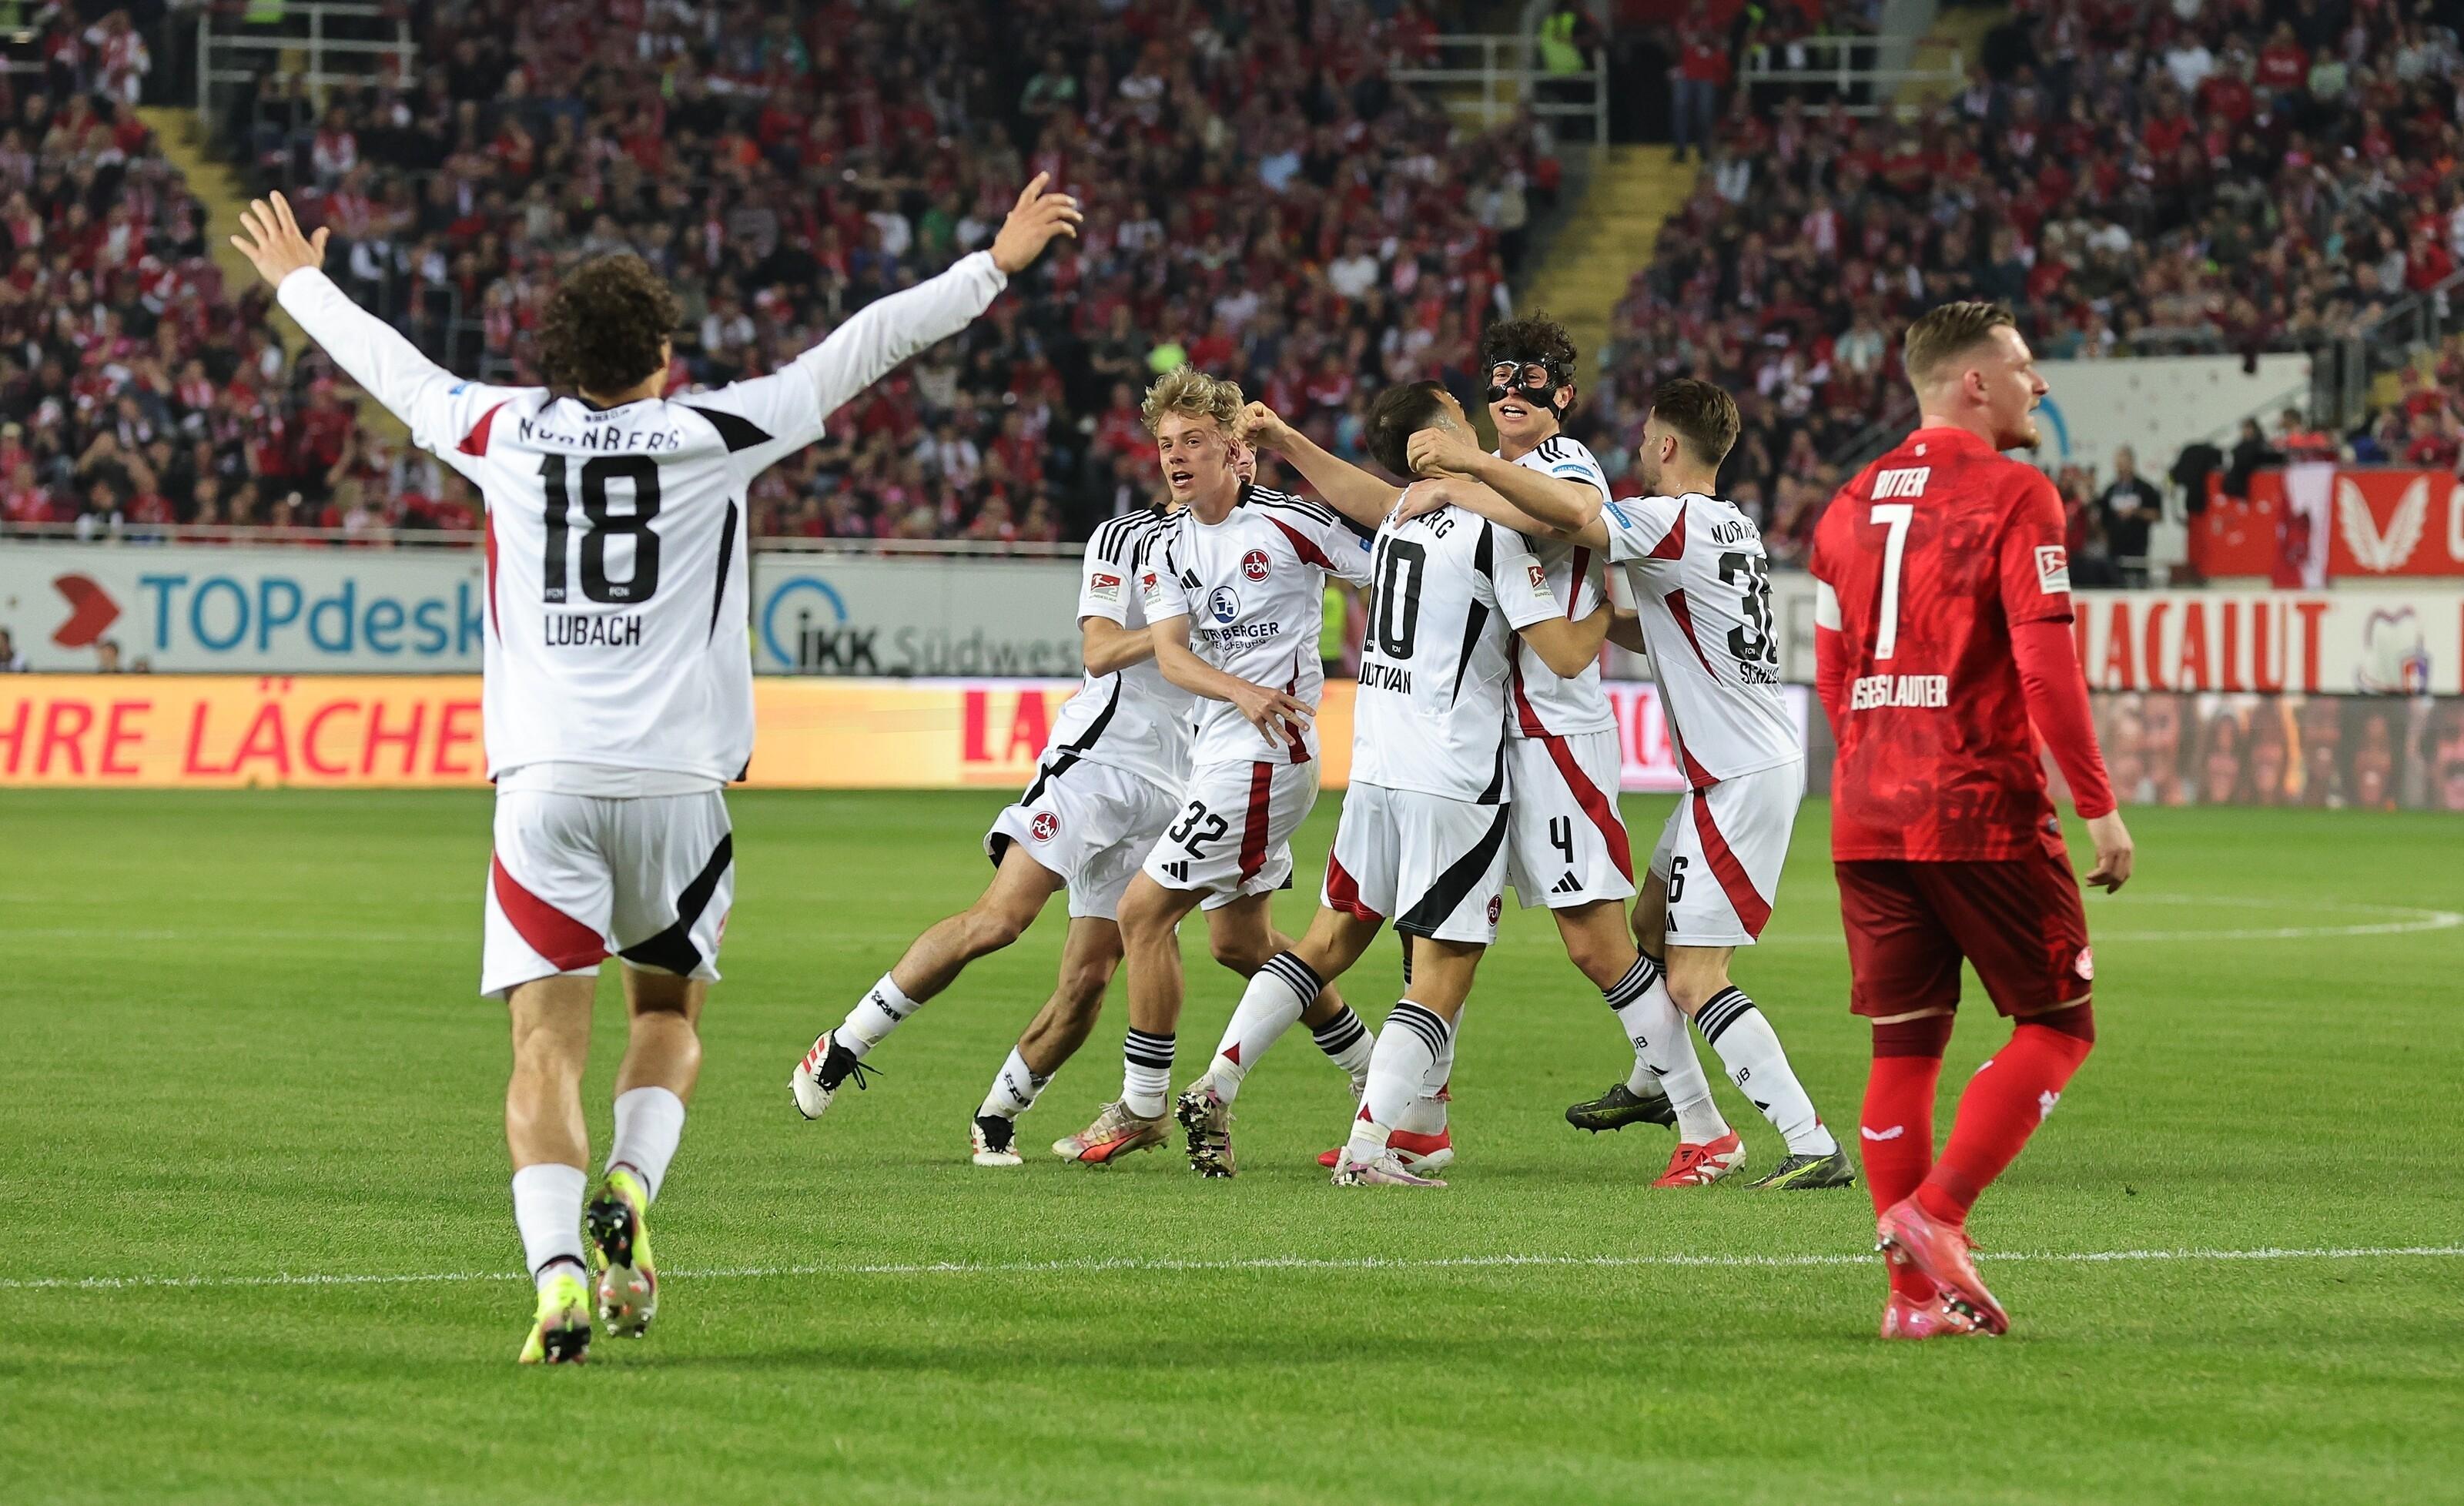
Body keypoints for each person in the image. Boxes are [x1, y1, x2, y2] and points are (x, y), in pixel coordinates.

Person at [231, 181, 1080, 1364]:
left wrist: (299, 283)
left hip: (545, 784)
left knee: (544, 1049)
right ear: (665, 355)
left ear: (557, 356)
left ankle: (558, 1282)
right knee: (668, 1016)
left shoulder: (502, 430)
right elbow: (865, 346)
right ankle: (628, 1189)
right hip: (680, 791)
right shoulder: (712, 432)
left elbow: (394, 368)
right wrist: (991, 265)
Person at [1402, 378, 1852, 1190]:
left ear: (1668, 446)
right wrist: (1596, 620)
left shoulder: (1667, 519)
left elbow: (1566, 517)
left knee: (1694, 977)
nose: (1638, 449)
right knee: (1647, 926)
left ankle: (1810, 1141)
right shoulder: (1730, 524)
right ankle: (1652, 1086)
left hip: (1738, 777)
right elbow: (1668, 627)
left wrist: (1465, 471)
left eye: (1646, 438)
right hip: (1733, 770)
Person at [1809, 301, 2133, 1340]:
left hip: (1867, 808)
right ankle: (1937, 1214)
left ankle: (1910, 1303)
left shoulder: (1843, 504)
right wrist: (2098, 805)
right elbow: (2045, 663)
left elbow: (1830, 671)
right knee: (2059, 1023)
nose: (2041, 384)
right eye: (2026, 366)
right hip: (1976, 802)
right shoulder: (2014, 492)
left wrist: (1874, 760)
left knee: (1904, 1046)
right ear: (1974, 383)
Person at [1197, 381, 1607, 1185]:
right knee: (1443, 972)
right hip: (1451, 778)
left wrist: (1287, 439)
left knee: (1326, 941)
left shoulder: (1398, 522)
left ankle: (1218, 1080)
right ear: (1444, 426)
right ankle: (1368, 1150)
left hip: (1376, 769)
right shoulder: (1491, 529)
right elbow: (1563, 652)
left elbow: (1370, 495)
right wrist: (1606, 603)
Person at [1049, 368, 1382, 1165]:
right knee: (1238, 942)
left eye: (1193, 441)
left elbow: (1390, 565)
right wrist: (1238, 689)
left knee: (1140, 913)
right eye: (1166, 443)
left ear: (1234, 451)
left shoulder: (1291, 522)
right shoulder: (1166, 544)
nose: (1175, 456)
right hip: (1220, 750)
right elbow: (1169, 654)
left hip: (1269, 757)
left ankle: (1142, 1107)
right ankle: (1380, 1080)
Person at [2096, 447, 2161, 585]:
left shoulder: (2145, 489)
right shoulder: (2110, 490)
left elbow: (2156, 515)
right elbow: (2103, 521)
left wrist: (2136, 512)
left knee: (2139, 584)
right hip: (2115, 551)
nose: (2121, 468)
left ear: (2131, 463)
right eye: (2118, 465)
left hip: (2138, 550)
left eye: (2124, 464)